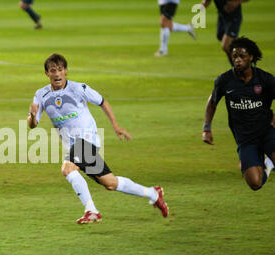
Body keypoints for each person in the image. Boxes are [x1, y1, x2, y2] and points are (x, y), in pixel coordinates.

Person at [27, 53, 169, 224]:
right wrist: (33, 116)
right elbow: (33, 125)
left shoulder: (79, 88)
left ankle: (91, 211)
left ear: (66, 71)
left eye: (60, 70)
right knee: (110, 183)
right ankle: (153, 193)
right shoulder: (41, 95)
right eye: (52, 71)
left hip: (87, 139)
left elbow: (102, 102)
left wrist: (116, 126)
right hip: (73, 146)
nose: (57, 74)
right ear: (47, 74)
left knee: (68, 168)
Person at [202, 37, 275, 190]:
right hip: (245, 138)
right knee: (255, 183)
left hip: (267, 132)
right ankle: (267, 165)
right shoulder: (225, 80)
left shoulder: (265, 79)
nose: (238, 60)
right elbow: (212, 102)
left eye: (242, 56)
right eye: (234, 56)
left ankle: (268, 159)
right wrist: (206, 128)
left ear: (251, 57)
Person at [202, 0, 249, 65]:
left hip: (233, 16)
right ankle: (238, 66)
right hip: (222, 16)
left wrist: (236, 2)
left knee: (226, 46)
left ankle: (242, 67)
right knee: (221, 37)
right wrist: (203, 5)